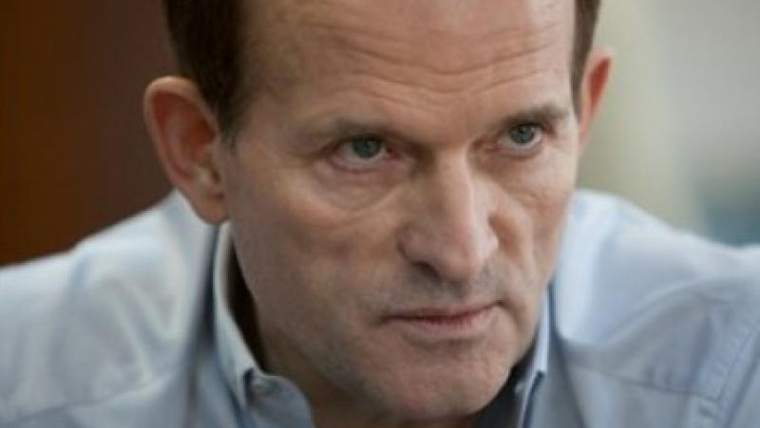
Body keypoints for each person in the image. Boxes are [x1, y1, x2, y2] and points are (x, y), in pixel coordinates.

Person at [1, 0, 759, 427]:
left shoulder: (731, 369)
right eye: (364, 150)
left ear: (584, 112)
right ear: (200, 151)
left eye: (522, 137)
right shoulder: (24, 381)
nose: (461, 250)